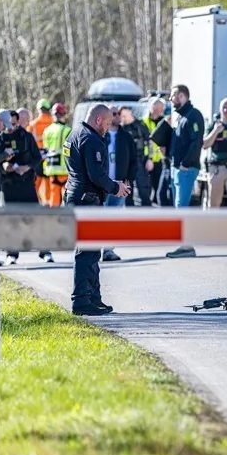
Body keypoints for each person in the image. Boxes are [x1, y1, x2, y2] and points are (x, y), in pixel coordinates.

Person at [65, 103, 130, 316]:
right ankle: (81, 301)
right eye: (108, 122)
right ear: (98, 119)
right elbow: (96, 175)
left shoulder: (74, 133)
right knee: (87, 252)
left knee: (92, 251)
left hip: (78, 197)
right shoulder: (91, 140)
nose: (109, 127)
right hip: (86, 200)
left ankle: (93, 297)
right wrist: (116, 187)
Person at [0, 110, 50, 266]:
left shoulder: (26, 136)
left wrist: (27, 167)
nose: (11, 127)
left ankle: (44, 251)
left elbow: (37, 157)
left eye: (14, 124)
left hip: (26, 183)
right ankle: (12, 254)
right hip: (9, 184)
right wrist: (4, 166)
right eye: (8, 124)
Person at [166, 85, 204, 258]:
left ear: (182, 96)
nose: (170, 99)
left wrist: (186, 163)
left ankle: (187, 246)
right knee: (179, 208)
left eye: (173, 95)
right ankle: (184, 244)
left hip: (186, 169)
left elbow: (197, 142)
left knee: (182, 207)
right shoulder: (181, 117)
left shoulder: (193, 115)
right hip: (177, 168)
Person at [101, 105, 138, 262]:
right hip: (102, 185)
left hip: (120, 186)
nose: (117, 116)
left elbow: (134, 161)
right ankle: (94, 250)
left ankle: (108, 250)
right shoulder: (100, 135)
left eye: (118, 114)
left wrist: (128, 181)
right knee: (101, 219)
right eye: (114, 113)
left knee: (113, 219)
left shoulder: (126, 137)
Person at [119, 105, 153, 207]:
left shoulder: (140, 125)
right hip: (126, 164)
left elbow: (150, 142)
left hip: (140, 161)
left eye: (124, 115)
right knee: (127, 191)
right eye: (121, 116)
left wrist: (150, 159)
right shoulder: (121, 128)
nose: (123, 118)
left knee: (144, 190)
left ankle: (147, 213)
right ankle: (130, 214)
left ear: (130, 113)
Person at [42, 103, 71, 208]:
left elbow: (46, 150)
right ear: (64, 114)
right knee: (68, 198)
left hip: (51, 168)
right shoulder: (67, 130)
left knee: (54, 197)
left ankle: (53, 215)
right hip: (64, 169)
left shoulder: (47, 130)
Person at [142, 98, 168, 205]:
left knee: (158, 189)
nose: (160, 111)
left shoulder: (165, 122)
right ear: (152, 108)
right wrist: (148, 158)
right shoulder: (144, 122)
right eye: (157, 108)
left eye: (161, 109)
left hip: (160, 160)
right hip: (146, 160)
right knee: (146, 189)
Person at [29, 98, 54, 205]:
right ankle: (48, 202)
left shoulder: (33, 124)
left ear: (39, 109)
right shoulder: (53, 123)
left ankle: (37, 202)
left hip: (37, 156)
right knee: (49, 181)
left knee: (36, 182)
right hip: (51, 156)